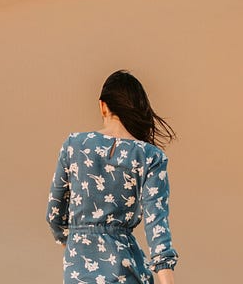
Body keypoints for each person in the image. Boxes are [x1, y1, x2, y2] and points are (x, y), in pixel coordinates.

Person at [47, 69, 180, 284]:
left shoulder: (74, 145)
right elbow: (157, 229)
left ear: (102, 106)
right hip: (126, 271)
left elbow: (54, 215)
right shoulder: (150, 156)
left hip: (78, 274)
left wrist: (74, 245)